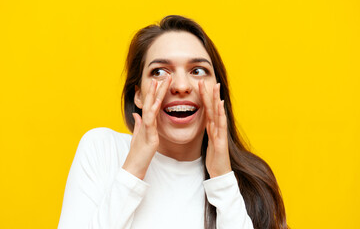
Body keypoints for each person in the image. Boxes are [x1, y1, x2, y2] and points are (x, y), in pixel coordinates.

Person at [58, 15, 288, 229]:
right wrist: (133, 170)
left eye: (197, 70)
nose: (181, 85)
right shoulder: (102, 149)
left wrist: (223, 181)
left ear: (218, 90)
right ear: (138, 94)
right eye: (159, 72)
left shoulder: (250, 183)